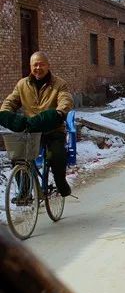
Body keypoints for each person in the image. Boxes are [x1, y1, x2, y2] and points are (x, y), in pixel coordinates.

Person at [1, 52, 74, 197]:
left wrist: (58, 113)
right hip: (31, 130)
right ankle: (24, 192)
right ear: (30, 66)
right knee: (19, 157)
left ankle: (61, 183)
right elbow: (10, 102)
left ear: (48, 65)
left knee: (58, 156)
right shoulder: (22, 84)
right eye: (35, 64)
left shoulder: (59, 84)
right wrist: (4, 114)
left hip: (53, 130)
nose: (38, 67)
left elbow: (66, 101)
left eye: (41, 64)